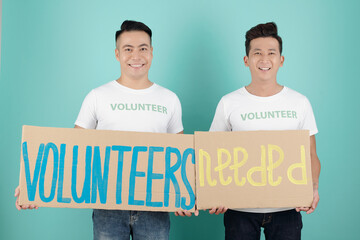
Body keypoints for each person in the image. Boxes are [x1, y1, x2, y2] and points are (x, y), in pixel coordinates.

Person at [15, 20, 190, 239]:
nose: (136, 56)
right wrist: (35, 187)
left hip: (155, 207)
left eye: (143, 48)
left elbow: (181, 155)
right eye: (128, 49)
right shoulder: (98, 96)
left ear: (152, 53)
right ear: (117, 54)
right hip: (108, 207)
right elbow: (72, 150)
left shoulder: (169, 99)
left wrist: (184, 195)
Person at [208, 22, 320, 240]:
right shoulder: (228, 103)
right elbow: (211, 155)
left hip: (287, 209)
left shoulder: (299, 102)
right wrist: (214, 194)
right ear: (246, 60)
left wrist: (313, 188)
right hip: (239, 209)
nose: (264, 59)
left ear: (281, 60)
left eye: (271, 53)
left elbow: (311, 154)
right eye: (257, 53)